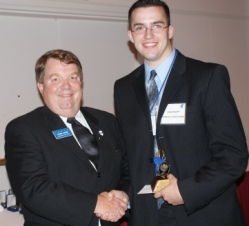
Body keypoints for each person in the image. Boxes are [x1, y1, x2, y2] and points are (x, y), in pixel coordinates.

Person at [114, 0, 248, 225]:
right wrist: (123, 193)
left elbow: (233, 155)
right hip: (148, 215)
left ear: (170, 30)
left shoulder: (207, 77)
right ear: (130, 34)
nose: (148, 34)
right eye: (140, 27)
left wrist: (186, 190)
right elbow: (130, 158)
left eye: (157, 25)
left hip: (202, 213)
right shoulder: (124, 88)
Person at [5, 49, 129, 226]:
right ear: (41, 86)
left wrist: (123, 194)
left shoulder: (107, 121)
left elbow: (127, 169)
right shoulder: (24, 129)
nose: (66, 86)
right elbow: (34, 189)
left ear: (81, 82)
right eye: (55, 79)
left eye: (73, 77)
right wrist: (95, 204)